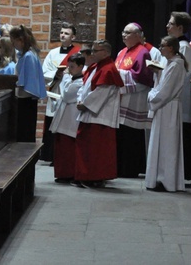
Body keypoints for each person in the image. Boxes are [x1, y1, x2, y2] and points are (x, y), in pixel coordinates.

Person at [74, 41, 124, 188]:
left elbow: (102, 93)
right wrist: (80, 99)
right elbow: (85, 87)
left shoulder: (108, 69)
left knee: (96, 150)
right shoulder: (96, 67)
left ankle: (93, 177)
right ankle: (86, 175)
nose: (92, 54)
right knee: (88, 147)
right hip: (91, 114)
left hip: (99, 116)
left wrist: (85, 104)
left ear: (106, 53)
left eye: (96, 51)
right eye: (92, 51)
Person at [145, 35, 187, 192]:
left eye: (162, 46)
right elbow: (164, 84)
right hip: (164, 106)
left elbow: (166, 91)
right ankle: (158, 177)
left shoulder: (176, 64)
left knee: (167, 144)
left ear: (171, 48)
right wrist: (157, 72)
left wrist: (150, 96)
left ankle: (166, 180)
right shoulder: (169, 63)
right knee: (161, 142)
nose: (160, 48)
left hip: (168, 107)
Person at [114, 22, 153, 178]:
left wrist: (120, 74)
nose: (124, 35)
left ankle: (130, 169)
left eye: (128, 32)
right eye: (123, 32)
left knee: (131, 136)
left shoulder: (143, 53)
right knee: (121, 135)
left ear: (138, 35)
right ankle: (119, 167)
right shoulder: (122, 52)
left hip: (134, 99)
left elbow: (144, 79)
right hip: (121, 98)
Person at [40, 23, 80, 163]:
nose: (63, 35)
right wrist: (55, 74)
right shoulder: (53, 53)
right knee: (52, 120)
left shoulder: (77, 53)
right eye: (62, 32)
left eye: (67, 33)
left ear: (73, 37)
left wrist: (66, 74)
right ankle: (49, 155)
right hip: (55, 88)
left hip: (68, 90)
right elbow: (44, 72)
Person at [167, 11, 191, 180]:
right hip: (172, 94)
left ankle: (184, 172)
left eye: (170, 24)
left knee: (183, 135)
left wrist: (170, 86)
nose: (167, 26)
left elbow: (187, 71)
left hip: (180, 97)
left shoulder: (183, 46)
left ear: (179, 27)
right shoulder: (175, 45)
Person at [49, 52, 86, 183]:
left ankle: (68, 174)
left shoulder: (80, 82)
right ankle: (62, 174)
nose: (68, 69)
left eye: (72, 67)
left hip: (71, 120)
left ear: (81, 66)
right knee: (61, 149)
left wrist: (64, 77)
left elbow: (67, 95)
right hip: (63, 118)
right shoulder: (72, 79)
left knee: (68, 150)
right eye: (68, 66)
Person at [9, 25, 47, 100]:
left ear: (21, 40)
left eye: (13, 42)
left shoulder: (28, 56)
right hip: (25, 96)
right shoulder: (25, 55)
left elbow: (29, 81)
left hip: (27, 96)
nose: (13, 45)